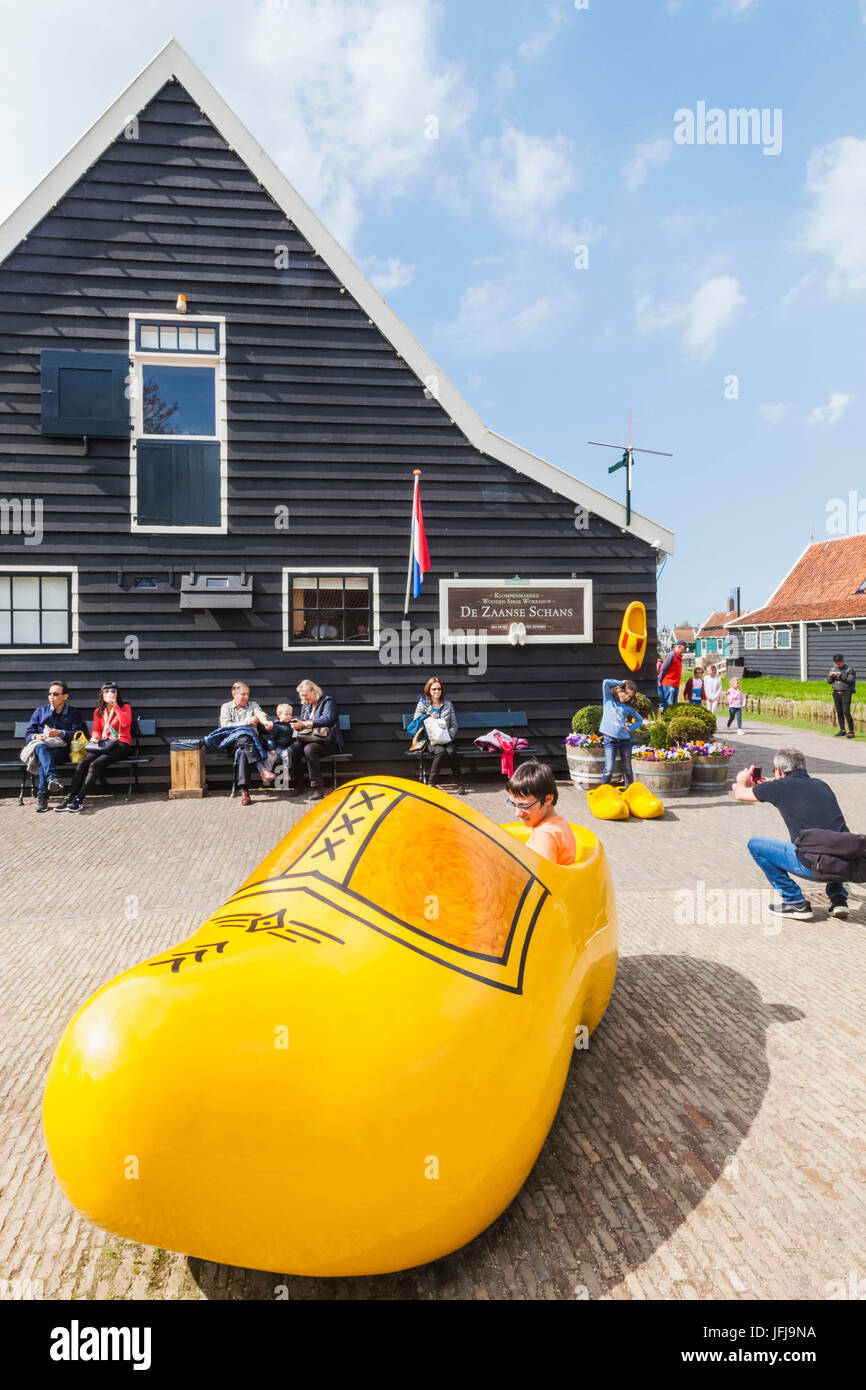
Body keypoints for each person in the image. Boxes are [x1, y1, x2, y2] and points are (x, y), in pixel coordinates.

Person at [732, 748, 850, 920]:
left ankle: (795, 902)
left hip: (812, 867)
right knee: (830, 834)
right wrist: (769, 784)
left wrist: (741, 780)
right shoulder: (822, 785)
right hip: (846, 865)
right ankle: (838, 897)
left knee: (755, 844)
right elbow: (792, 788)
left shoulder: (778, 788)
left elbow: (740, 794)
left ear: (779, 770)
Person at [55, 683, 133, 813]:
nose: (110, 693)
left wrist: (115, 706)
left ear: (117, 694)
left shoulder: (124, 707)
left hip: (120, 744)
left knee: (95, 765)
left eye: (113, 691)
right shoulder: (98, 711)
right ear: (102, 694)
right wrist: (95, 737)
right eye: (107, 691)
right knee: (82, 763)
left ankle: (79, 799)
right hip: (103, 744)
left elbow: (125, 723)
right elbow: (96, 729)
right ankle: (69, 797)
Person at [23, 680, 88, 811]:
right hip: (43, 747)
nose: (51, 697)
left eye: (55, 694)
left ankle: (42, 798)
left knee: (43, 759)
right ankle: (52, 778)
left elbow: (77, 734)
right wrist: (37, 736)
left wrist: (61, 733)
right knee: (41, 748)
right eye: (50, 694)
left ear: (65, 696)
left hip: (63, 751)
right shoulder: (41, 711)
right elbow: (29, 733)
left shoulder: (73, 713)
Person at [505, 761, 576, 866]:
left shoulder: (544, 835)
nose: (518, 813)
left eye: (524, 805)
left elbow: (541, 876)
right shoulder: (559, 824)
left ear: (548, 799)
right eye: (512, 804)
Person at [219, 681, 274, 806]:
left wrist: (265, 722)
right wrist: (246, 722)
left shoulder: (252, 705)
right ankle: (262, 769)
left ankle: (244, 792)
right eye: (243, 694)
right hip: (234, 744)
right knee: (243, 736)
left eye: (247, 694)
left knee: (244, 748)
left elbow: (260, 713)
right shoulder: (226, 707)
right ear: (234, 694)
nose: (246, 697)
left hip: (255, 743)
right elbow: (225, 725)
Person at [287, 680, 342, 800]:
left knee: (309, 749)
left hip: (329, 741)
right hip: (310, 739)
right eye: (301, 696)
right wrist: (297, 725)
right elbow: (303, 722)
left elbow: (328, 719)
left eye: (305, 695)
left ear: (313, 691)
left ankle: (318, 789)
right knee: (292, 750)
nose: (304, 699)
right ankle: (299, 785)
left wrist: (306, 723)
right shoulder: (306, 705)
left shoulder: (328, 702)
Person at [412, 677, 466, 795]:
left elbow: (454, 724)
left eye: (439, 689)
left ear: (442, 690)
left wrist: (449, 736)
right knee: (440, 751)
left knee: (451, 751)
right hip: (429, 739)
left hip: (446, 738)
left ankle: (460, 783)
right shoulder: (423, 704)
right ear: (429, 691)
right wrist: (428, 717)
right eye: (434, 689)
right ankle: (431, 783)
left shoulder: (448, 704)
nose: (436, 691)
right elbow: (416, 721)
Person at [600, 677, 645, 787]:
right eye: (625, 693)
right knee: (609, 769)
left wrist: (630, 728)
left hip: (625, 741)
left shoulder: (628, 707)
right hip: (610, 741)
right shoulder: (608, 699)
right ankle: (603, 792)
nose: (626, 698)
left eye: (630, 696)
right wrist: (622, 683)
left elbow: (639, 720)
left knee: (628, 768)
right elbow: (606, 682)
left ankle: (629, 791)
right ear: (620, 689)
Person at [827, 654, 856, 739]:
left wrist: (840, 675)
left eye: (838, 664)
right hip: (836, 693)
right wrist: (831, 677)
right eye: (835, 664)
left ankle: (851, 731)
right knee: (839, 712)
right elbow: (829, 681)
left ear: (843, 661)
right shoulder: (832, 669)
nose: (837, 665)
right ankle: (842, 730)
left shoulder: (849, 669)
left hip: (846, 692)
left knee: (846, 712)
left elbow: (850, 680)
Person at [264, 702, 295, 779]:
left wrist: (295, 730)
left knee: (287, 757)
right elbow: (271, 738)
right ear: (279, 715)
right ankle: (266, 774)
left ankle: (285, 773)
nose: (289, 717)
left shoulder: (291, 725)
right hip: (275, 747)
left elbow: (293, 738)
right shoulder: (276, 726)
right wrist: (271, 748)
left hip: (285, 748)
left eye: (290, 715)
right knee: (269, 758)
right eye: (286, 714)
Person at [658, 642, 686, 708]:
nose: (685, 649)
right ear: (679, 646)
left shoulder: (679, 657)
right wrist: (660, 680)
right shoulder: (671, 655)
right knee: (669, 705)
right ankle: (666, 717)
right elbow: (663, 668)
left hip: (675, 684)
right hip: (669, 684)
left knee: (674, 705)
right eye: (684, 647)